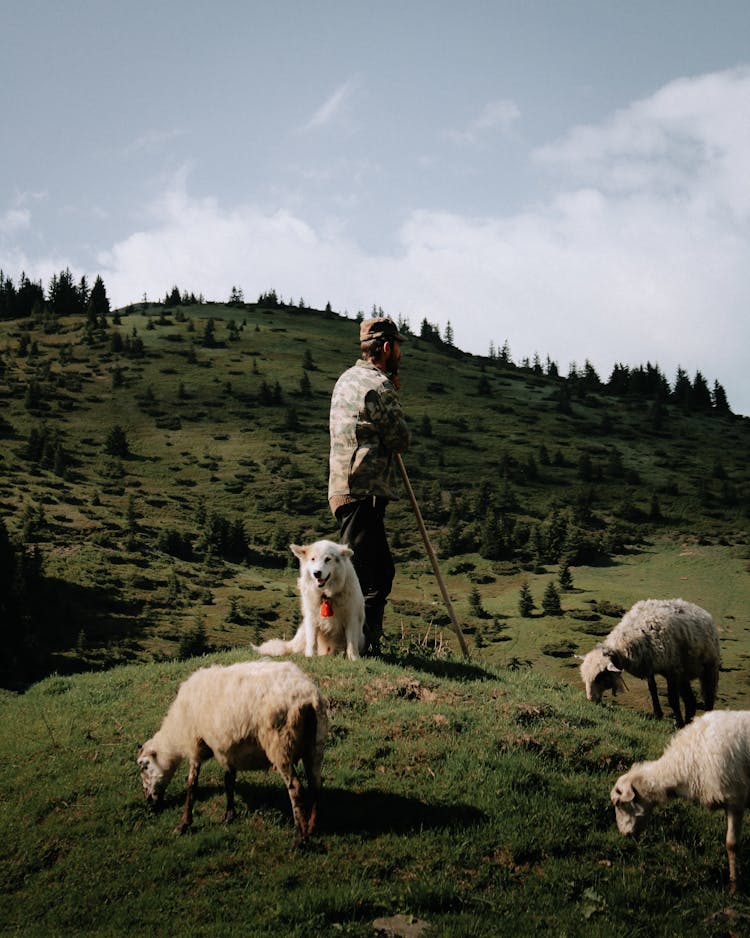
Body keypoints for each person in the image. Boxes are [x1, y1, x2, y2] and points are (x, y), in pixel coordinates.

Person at [328, 317, 411, 654]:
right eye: (399, 348)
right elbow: (401, 439)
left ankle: (355, 643)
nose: (401, 354)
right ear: (388, 347)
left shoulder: (346, 380)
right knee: (372, 575)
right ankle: (358, 646)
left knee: (367, 571)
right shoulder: (378, 386)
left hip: (342, 487)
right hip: (364, 489)